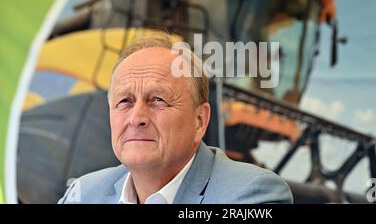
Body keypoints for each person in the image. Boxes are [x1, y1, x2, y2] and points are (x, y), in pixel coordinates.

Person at [58, 31, 293, 204]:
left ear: (199, 120)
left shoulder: (254, 194)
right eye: (124, 102)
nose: (136, 118)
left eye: (158, 100)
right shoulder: (83, 194)